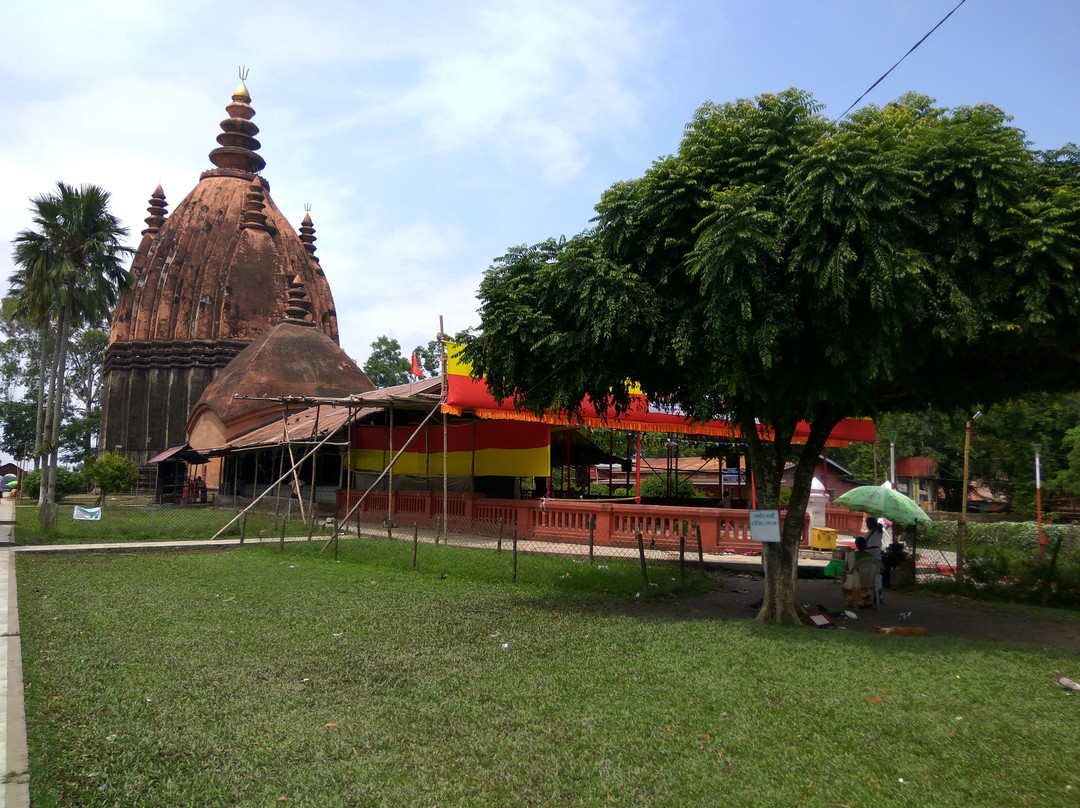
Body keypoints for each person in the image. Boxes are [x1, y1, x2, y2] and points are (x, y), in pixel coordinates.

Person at [863, 517, 885, 602]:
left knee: (877, 573)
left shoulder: (878, 530)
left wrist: (877, 525)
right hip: (868, 552)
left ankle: (879, 596)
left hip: (875, 552)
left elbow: (880, 527)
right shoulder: (868, 532)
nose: (868, 525)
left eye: (869, 523)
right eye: (867, 523)